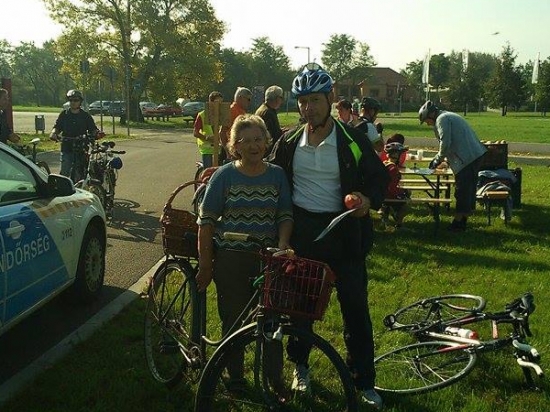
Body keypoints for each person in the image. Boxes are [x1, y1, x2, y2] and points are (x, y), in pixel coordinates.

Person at [268, 63, 389, 409]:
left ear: (330, 99)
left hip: (345, 233)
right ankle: (301, 367)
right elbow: (270, 176)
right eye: (303, 101)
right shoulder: (290, 141)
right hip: (304, 235)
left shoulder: (352, 139)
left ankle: (363, 381)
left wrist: (367, 200)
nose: (308, 108)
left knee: (355, 308)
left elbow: (379, 177)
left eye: (315, 101)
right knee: (301, 310)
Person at [196, 113, 293, 391]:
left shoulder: (277, 175)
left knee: (271, 321)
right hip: (232, 258)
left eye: (258, 139)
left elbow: (285, 215)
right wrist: (206, 264)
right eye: (246, 140)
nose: (254, 145)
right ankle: (235, 376)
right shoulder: (224, 176)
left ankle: (274, 379)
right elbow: (206, 222)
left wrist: (282, 245)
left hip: (268, 259)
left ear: (267, 141)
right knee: (234, 318)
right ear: (235, 146)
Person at [419, 100, 487, 232]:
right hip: (474, 155)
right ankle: (463, 219)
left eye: (426, 120)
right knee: (467, 189)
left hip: (468, 158)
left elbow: (445, 143)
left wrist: (437, 160)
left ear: (431, 115)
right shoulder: (447, 115)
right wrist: (446, 161)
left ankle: (458, 223)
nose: (427, 123)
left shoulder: (442, 119)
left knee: (462, 191)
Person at [50, 89, 99, 179]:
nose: (73, 102)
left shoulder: (85, 116)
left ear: (80, 102)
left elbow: (93, 129)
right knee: (65, 171)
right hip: (67, 147)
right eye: (71, 100)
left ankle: (82, 184)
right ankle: (64, 187)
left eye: (76, 100)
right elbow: (57, 126)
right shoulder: (64, 114)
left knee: (81, 171)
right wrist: (53, 133)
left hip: (81, 147)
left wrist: (96, 134)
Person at [380, 142, 410, 229]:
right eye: (400, 154)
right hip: (387, 194)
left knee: (406, 192)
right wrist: (401, 194)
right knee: (405, 205)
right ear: (396, 155)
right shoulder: (393, 169)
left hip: (381, 192)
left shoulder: (385, 163)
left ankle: (385, 216)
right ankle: (399, 224)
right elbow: (391, 188)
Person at [220, 86, 253, 162]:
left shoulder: (241, 111)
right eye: (248, 99)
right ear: (240, 97)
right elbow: (222, 133)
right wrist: (228, 150)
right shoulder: (231, 111)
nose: (249, 102)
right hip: (233, 152)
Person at [193, 91, 223, 168]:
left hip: (219, 148)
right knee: (208, 171)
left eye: (221, 103)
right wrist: (207, 138)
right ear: (210, 102)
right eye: (217, 102)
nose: (219, 105)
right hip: (207, 149)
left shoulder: (223, 115)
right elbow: (195, 133)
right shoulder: (202, 115)